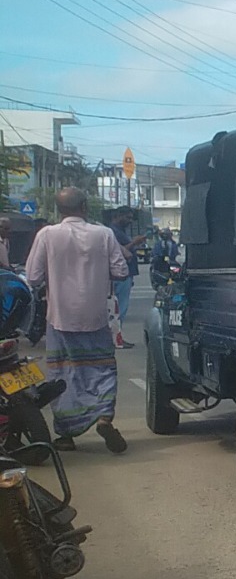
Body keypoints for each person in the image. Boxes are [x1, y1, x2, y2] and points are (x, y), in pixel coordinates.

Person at [26, 188, 130, 453]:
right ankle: (104, 418)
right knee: (103, 369)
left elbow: (33, 277)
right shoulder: (104, 234)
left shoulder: (47, 235)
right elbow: (121, 270)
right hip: (96, 318)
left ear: (59, 209)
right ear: (84, 206)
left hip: (59, 319)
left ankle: (66, 435)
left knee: (62, 375)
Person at [109, 208, 145, 349]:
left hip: (125, 274)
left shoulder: (119, 231)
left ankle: (116, 337)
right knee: (119, 309)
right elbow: (119, 251)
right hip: (120, 275)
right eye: (127, 218)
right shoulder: (112, 232)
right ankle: (116, 339)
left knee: (118, 309)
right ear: (118, 216)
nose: (130, 221)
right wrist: (134, 243)